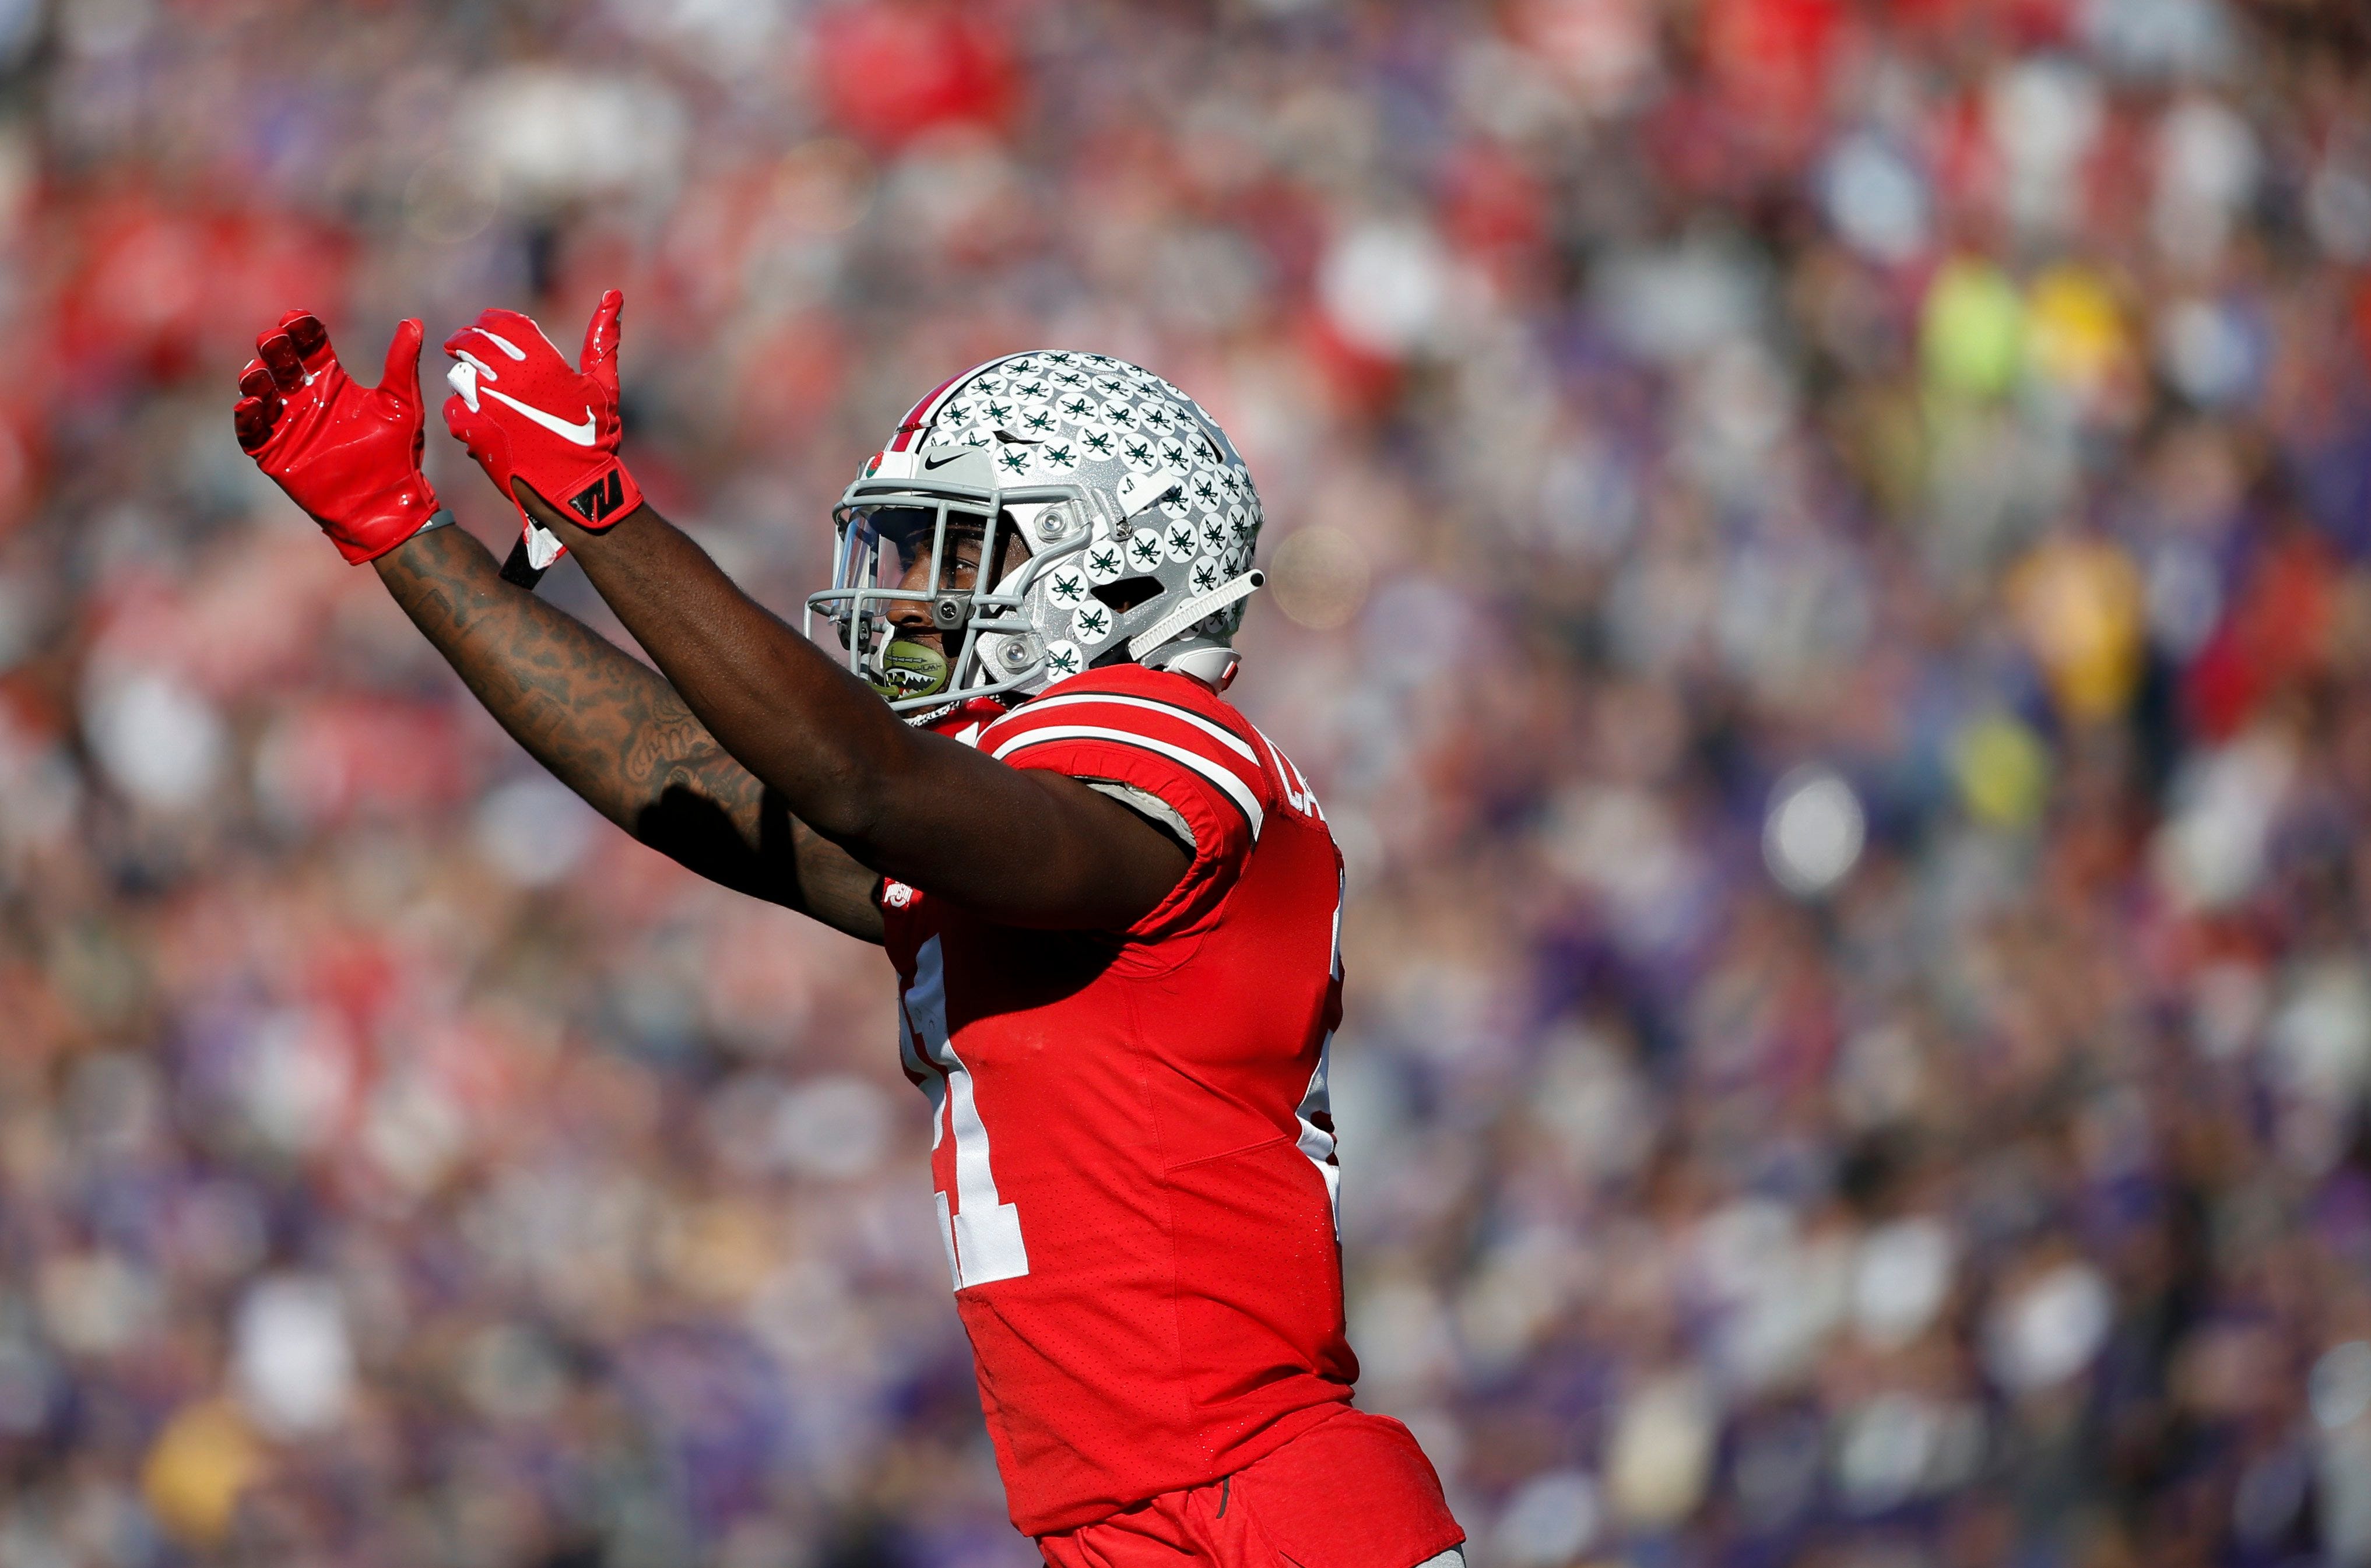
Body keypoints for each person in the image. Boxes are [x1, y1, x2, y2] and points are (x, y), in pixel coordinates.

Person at [231, 297, 1466, 1565]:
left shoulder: (1166, 738)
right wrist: (400, 532)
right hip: (1130, 1525)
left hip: (1267, 1511)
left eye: (951, 555)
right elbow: (683, 775)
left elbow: (860, 781)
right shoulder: (1001, 833)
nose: (902, 598)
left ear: (1116, 569)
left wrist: (604, 512)